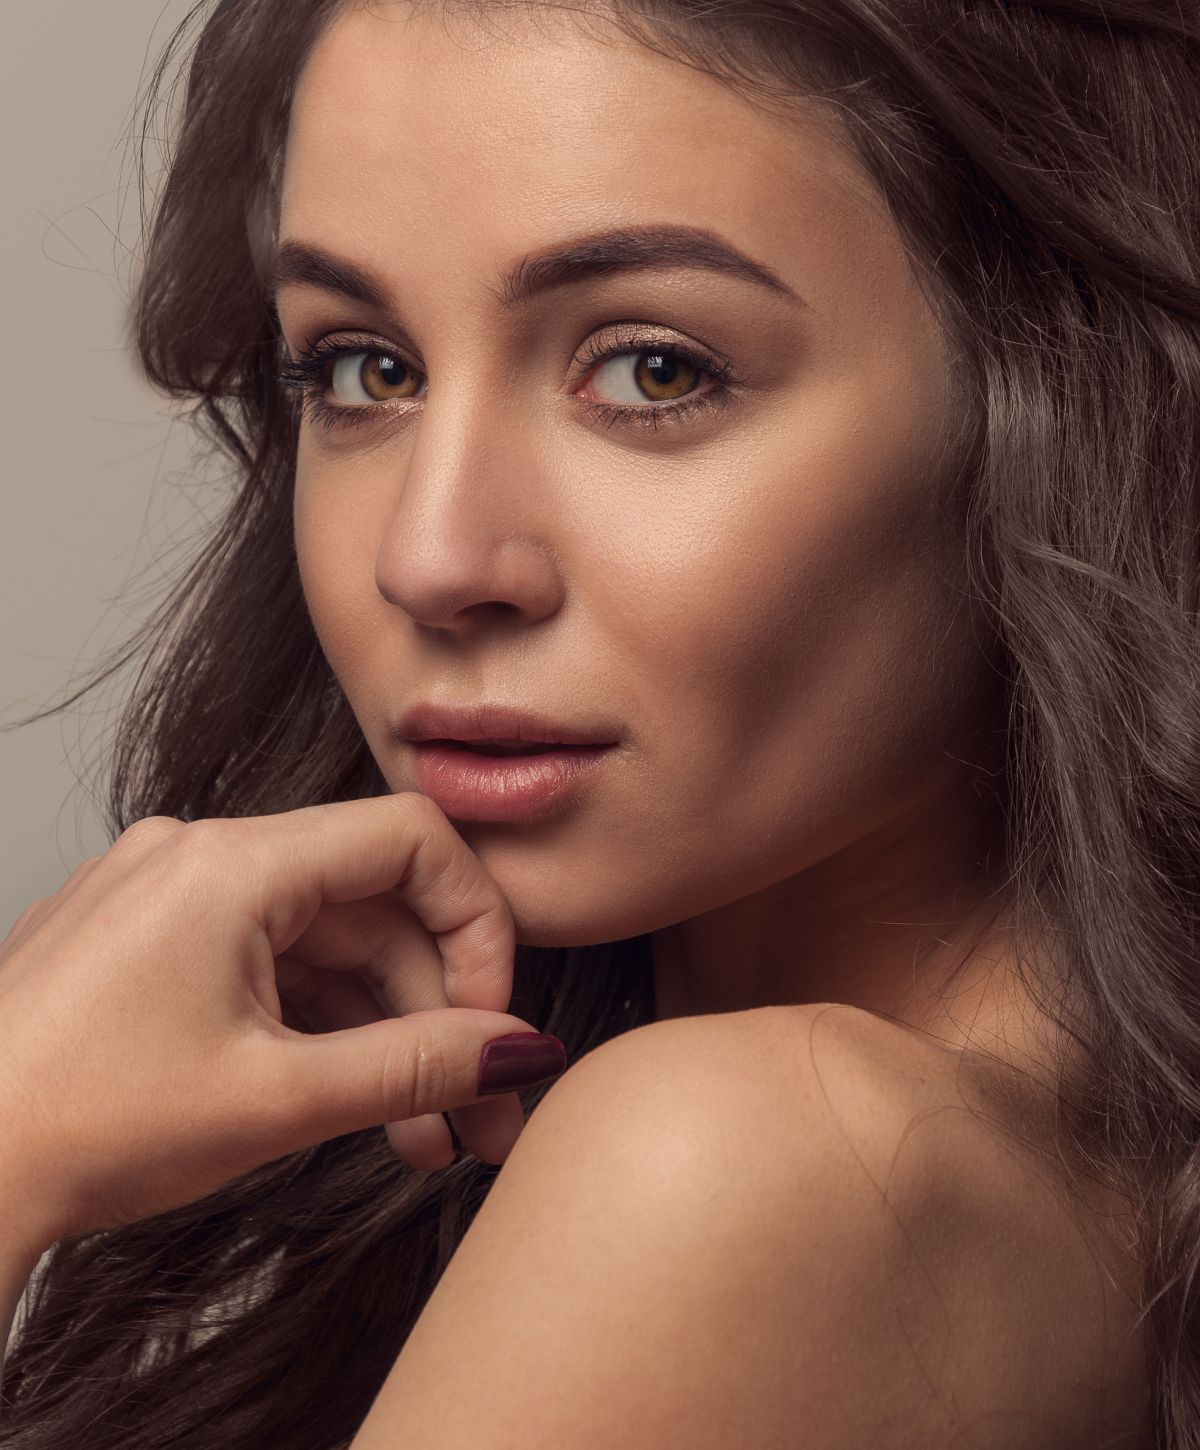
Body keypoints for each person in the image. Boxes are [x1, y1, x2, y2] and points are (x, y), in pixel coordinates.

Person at [0, 0, 1195, 1442]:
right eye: (365, 369)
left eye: (652, 369)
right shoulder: (1048, 1173)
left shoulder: (757, 1166)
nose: (430, 557)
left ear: (1054, 407)